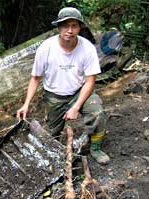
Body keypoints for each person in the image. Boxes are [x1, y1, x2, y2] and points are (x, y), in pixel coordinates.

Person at [16, 7, 110, 164]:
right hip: (54, 96)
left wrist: (76, 107)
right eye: (65, 25)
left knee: (97, 113)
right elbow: (35, 78)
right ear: (59, 27)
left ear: (80, 27)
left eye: (74, 26)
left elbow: (90, 81)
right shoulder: (46, 48)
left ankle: (95, 148)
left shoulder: (87, 48)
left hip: (79, 92)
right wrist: (26, 105)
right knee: (51, 135)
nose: (70, 30)